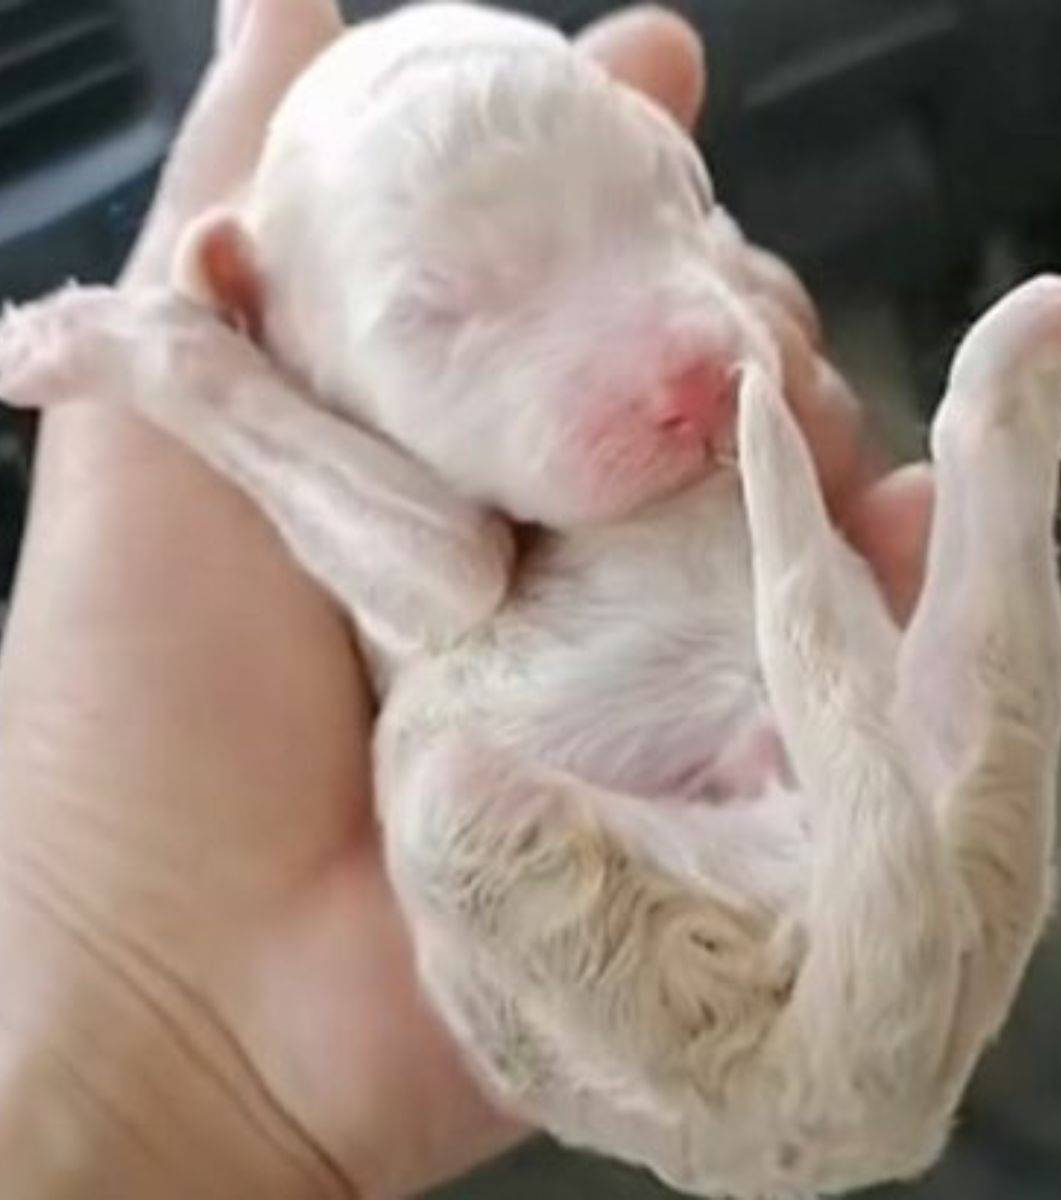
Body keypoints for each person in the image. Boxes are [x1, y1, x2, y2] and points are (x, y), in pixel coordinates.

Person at [0, 0, 934, 1194]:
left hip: (799, 845)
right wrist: (188, 371)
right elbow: (451, 578)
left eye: (649, 190)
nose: (669, 369)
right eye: (449, 317)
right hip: (716, 901)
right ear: (245, 291)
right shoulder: (283, 308)